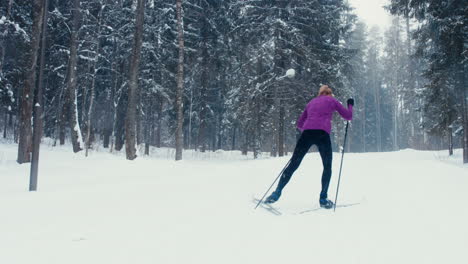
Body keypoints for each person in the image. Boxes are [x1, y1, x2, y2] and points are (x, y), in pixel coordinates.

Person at [264, 85, 354, 209]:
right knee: (327, 167)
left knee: (293, 164)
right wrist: (350, 104)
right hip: (322, 134)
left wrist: (309, 129)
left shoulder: (311, 102)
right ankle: (323, 199)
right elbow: (348, 116)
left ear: (320, 93)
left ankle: (276, 193)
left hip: (307, 134)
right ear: (329, 93)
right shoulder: (332, 100)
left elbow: (300, 123)